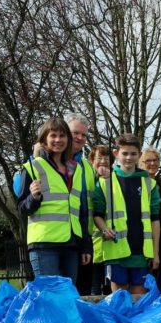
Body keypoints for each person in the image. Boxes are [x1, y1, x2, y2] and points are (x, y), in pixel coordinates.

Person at [15, 117, 92, 280]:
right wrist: (34, 198)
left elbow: (80, 211)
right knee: (50, 298)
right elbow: (21, 208)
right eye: (53, 136)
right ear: (44, 140)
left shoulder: (77, 170)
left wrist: (85, 245)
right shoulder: (32, 167)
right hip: (44, 245)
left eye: (62, 136)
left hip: (71, 245)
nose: (58, 140)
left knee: (67, 298)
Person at [92, 134, 161, 299]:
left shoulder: (149, 183)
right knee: (120, 302)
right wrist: (104, 228)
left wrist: (155, 253)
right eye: (125, 153)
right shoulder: (104, 182)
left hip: (141, 252)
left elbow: (155, 220)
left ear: (139, 155)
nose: (129, 157)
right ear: (116, 154)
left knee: (138, 302)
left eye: (133, 154)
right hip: (116, 252)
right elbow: (97, 214)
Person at [65, 113, 98, 295]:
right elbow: (18, 189)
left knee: (82, 294)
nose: (79, 138)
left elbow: (88, 208)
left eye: (84, 135)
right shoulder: (45, 160)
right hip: (54, 241)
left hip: (82, 240)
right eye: (75, 132)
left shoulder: (87, 167)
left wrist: (86, 243)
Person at [140, 147, 161, 291]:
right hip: (144, 236)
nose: (152, 163)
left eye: (155, 160)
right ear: (140, 163)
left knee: (158, 278)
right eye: (148, 160)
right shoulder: (139, 182)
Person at [88, 145, 112, 295]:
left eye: (106, 158)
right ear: (92, 160)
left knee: (111, 290)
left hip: (110, 243)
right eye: (99, 158)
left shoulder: (115, 178)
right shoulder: (86, 177)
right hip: (91, 245)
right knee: (93, 290)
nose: (103, 161)